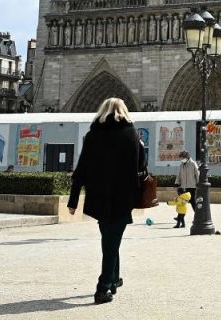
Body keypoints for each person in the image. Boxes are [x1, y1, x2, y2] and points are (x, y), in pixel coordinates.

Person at [68, 97, 144, 305]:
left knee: (109, 239)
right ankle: (102, 288)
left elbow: (81, 168)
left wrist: (73, 200)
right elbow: (141, 167)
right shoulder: (131, 134)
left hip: (99, 196)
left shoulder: (93, 135)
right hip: (122, 196)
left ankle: (114, 279)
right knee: (112, 241)